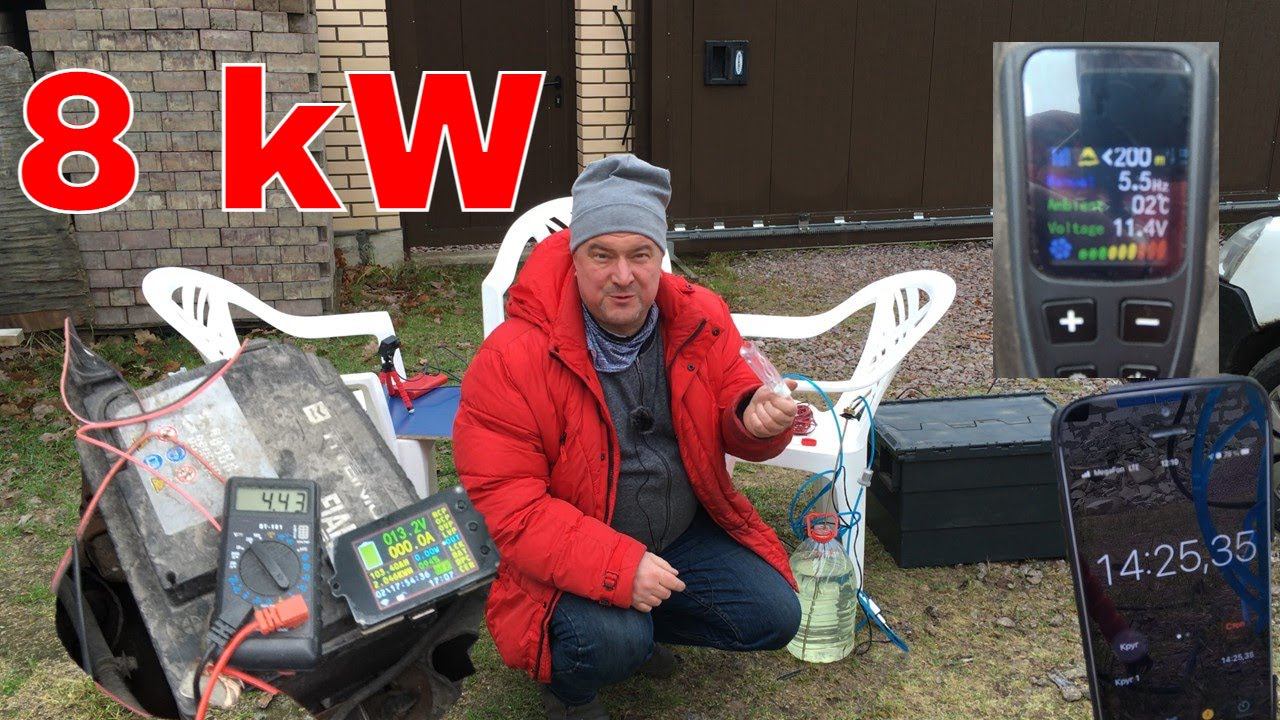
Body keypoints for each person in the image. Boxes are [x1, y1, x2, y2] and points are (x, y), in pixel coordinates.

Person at [453, 154, 801, 719]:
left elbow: (733, 396)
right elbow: (510, 509)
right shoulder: (511, 359)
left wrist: (752, 416)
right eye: (602, 254)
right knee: (611, 641)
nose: (622, 275)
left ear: (660, 257)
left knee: (773, 616)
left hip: (678, 535)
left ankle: (636, 622)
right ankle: (575, 685)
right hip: (567, 556)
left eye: (640, 254)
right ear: (573, 256)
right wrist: (618, 566)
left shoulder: (698, 317)